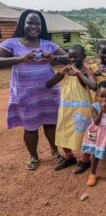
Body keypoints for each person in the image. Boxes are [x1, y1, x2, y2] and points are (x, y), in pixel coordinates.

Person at [0, 10, 67, 170]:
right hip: (25, 94)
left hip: (48, 93)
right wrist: (21, 59)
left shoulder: (47, 44)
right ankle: (33, 156)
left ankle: (55, 151)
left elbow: (69, 56)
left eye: (37, 23)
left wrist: (53, 58)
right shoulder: (12, 43)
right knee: (30, 127)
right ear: (23, 23)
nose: (33, 26)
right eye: (30, 22)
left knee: (50, 124)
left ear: (41, 26)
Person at [47, 45, 97, 173]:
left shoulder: (86, 71)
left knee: (84, 136)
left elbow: (93, 85)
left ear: (83, 57)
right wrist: (61, 73)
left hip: (82, 111)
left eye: (76, 57)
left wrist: (79, 73)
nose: (73, 59)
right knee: (62, 133)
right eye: (70, 57)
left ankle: (85, 160)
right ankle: (69, 157)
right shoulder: (67, 71)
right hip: (65, 110)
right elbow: (50, 84)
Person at [82, 81, 106, 186]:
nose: (104, 99)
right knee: (96, 155)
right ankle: (92, 174)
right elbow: (97, 122)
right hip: (98, 134)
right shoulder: (95, 107)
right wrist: (102, 110)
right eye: (102, 96)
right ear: (97, 94)